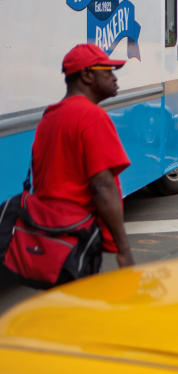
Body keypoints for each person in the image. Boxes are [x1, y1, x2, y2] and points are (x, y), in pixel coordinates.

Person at [30, 44, 134, 272]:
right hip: (77, 238)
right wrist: (123, 249)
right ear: (87, 75)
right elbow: (103, 187)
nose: (115, 78)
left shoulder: (49, 118)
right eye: (107, 71)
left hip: (48, 239)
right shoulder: (92, 116)